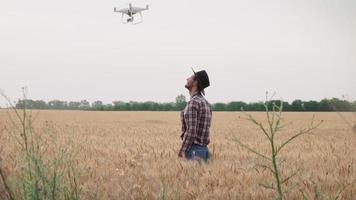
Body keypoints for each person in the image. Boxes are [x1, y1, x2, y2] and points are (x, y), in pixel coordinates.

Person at [178, 69, 212, 161]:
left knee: (190, 175)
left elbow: (191, 131)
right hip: (204, 151)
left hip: (194, 151)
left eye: (190, 77)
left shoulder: (193, 103)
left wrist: (182, 152)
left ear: (195, 82)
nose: (187, 78)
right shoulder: (206, 103)